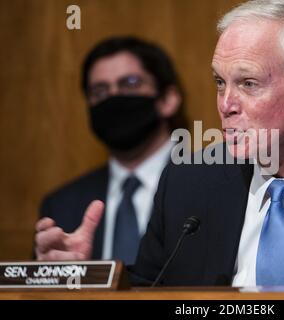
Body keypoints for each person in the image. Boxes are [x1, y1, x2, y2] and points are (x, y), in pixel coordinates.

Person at [35, 1, 284, 288]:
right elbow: (148, 291)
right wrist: (86, 281)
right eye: (219, 83)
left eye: (248, 84)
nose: (226, 105)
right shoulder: (187, 184)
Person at [36, 36, 187, 265]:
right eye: (100, 91)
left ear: (168, 99)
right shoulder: (61, 205)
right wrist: (59, 276)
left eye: (130, 83)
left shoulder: (215, 186)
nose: (114, 97)